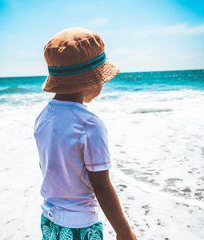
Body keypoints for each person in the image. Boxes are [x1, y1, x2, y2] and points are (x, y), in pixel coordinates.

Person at [34, 27, 137, 240]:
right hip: (80, 226)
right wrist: (124, 232)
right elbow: (101, 185)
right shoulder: (89, 125)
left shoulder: (43, 117)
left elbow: (46, 166)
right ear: (93, 79)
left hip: (49, 219)